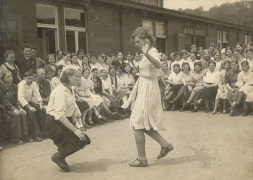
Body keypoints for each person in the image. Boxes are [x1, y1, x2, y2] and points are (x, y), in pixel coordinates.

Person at [122, 27, 173, 167]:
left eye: (138, 41)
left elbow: (159, 65)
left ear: (146, 41)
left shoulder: (152, 52)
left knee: (137, 123)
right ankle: (165, 145)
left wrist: (146, 54)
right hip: (144, 87)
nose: (136, 44)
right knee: (143, 122)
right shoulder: (147, 53)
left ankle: (142, 159)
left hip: (149, 90)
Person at [45, 67, 91, 172]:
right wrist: (75, 130)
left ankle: (59, 155)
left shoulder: (71, 89)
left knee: (84, 140)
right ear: (69, 77)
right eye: (77, 76)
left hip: (65, 121)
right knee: (80, 140)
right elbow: (60, 115)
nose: (79, 78)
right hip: (54, 124)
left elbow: (72, 107)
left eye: (80, 76)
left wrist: (75, 123)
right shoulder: (60, 92)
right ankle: (59, 156)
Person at [0, 71, 29, 144]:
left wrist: (20, 108)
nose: (10, 78)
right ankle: (16, 137)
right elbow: (5, 101)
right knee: (16, 114)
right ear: (3, 79)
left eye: (11, 76)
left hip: (14, 107)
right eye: (8, 77)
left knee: (22, 113)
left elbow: (17, 99)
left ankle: (24, 135)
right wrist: (14, 109)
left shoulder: (15, 87)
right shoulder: (2, 87)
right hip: (5, 108)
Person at [17, 71, 43, 141]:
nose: (30, 80)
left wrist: (40, 104)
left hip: (29, 102)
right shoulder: (21, 84)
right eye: (28, 78)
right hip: (20, 104)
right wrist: (30, 107)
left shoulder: (34, 84)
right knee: (31, 113)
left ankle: (44, 132)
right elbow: (20, 98)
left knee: (42, 110)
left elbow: (37, 95)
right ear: (24, 78)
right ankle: (35, 135)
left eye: (31, 78)